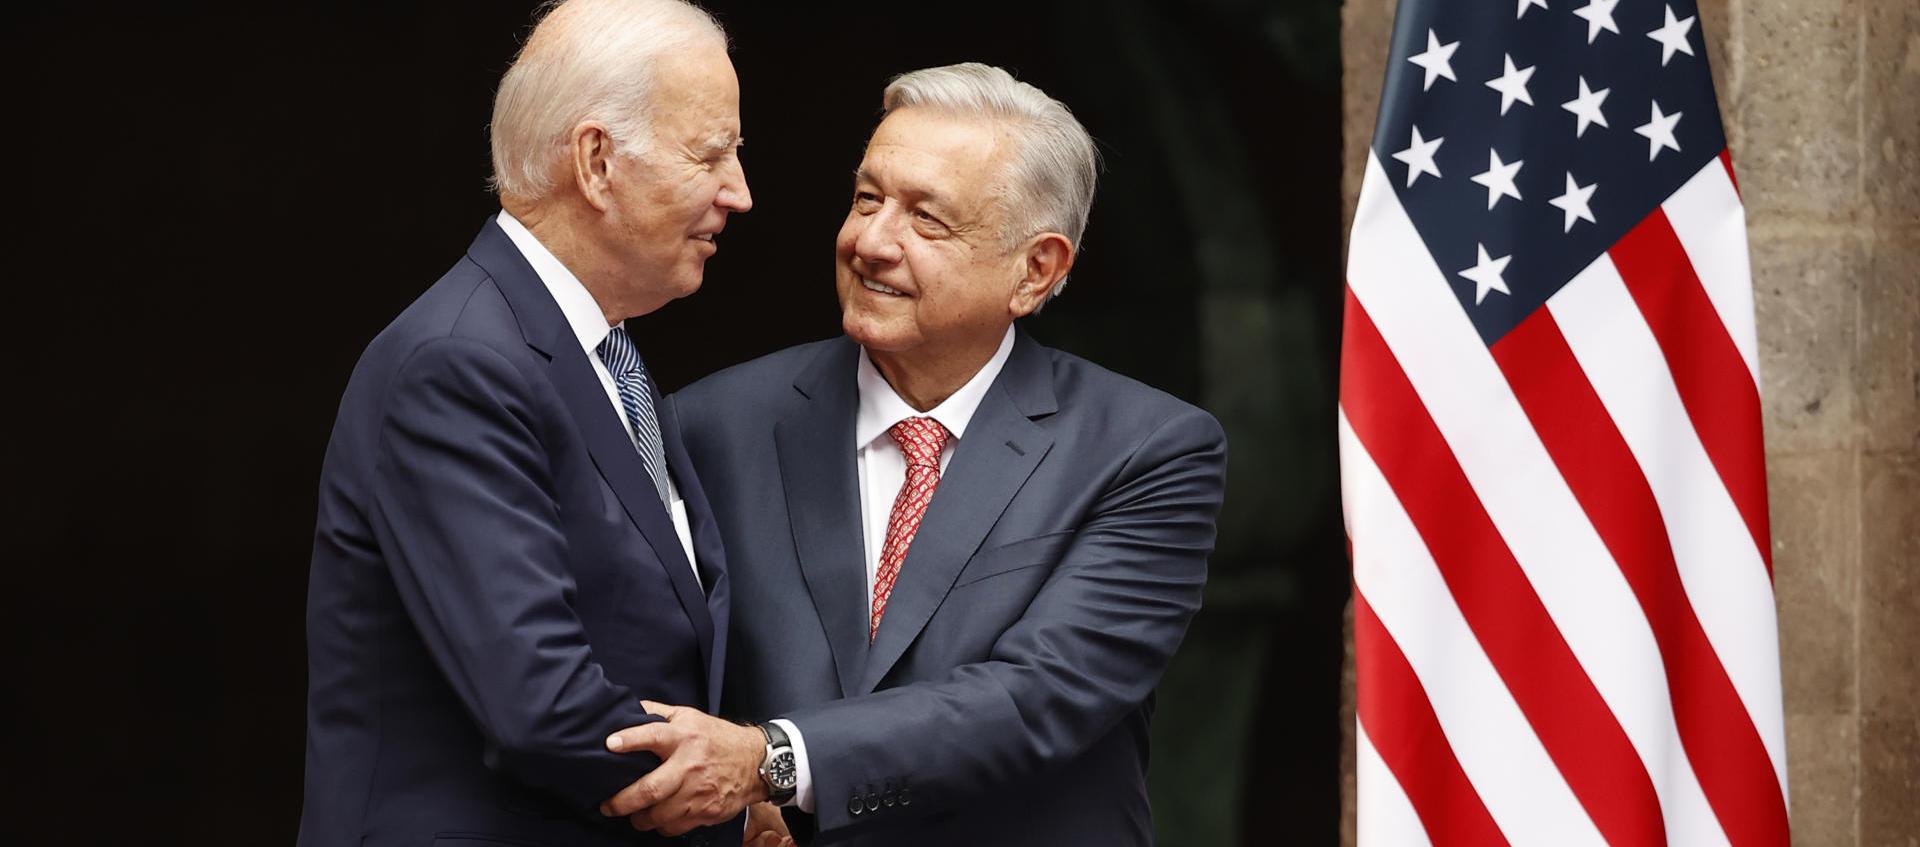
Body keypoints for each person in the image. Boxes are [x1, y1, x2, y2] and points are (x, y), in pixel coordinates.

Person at [606, 62, 1228, 846]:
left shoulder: (1146, 449)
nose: (870, 242)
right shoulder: (710, 425)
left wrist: (774, 762)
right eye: (868, 199)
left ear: (1036, 270)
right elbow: (653, 673)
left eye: (927, 219)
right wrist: (730, 814)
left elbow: (1040, 694)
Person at [298, 2, 767, 845]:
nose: (739, 192)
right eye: (710, 155)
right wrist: (740, 786)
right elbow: (542, 703)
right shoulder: (459, 364)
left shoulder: (595, 351)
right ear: (597, 162)